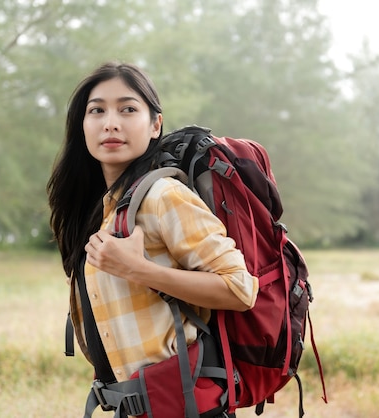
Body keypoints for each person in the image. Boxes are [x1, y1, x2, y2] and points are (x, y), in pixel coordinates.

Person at [46, 61, 258, 414]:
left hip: (183, 405)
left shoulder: (163, 195)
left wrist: (139, 270)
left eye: (128, 109)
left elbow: (240, 289)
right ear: (82, 126)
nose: (110, 122)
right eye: (96, 110)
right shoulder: (104, 211)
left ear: (155, 124)